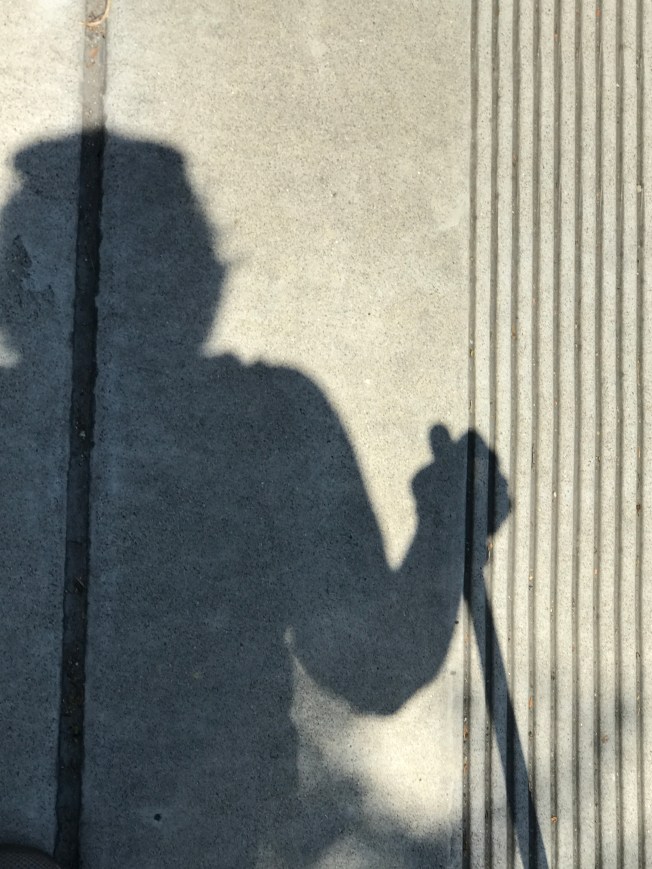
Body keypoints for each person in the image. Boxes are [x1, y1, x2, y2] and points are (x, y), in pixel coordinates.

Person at [1, 137, 509, 867]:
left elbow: (372, 664)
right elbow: (372, 665)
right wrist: (448, 532)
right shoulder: (266, 420)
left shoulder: (267, 421)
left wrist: (446, 531)